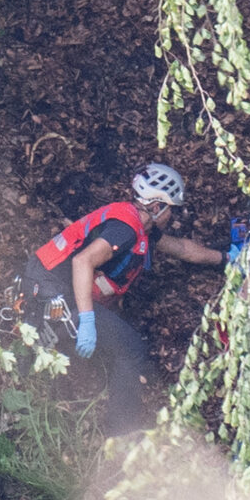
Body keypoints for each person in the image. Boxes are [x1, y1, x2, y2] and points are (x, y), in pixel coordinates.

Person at [18, 163, 225, 435]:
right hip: (54, 291)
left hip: (54, 284)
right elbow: (82, 261)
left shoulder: (138, 224)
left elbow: (182, 248)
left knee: (84, 345)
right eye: (170, 208)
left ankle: (29, 381)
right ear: (156, 206)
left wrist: (225, 259)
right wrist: (88, 321)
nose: (173, 215)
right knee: (131, 350)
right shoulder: (125, 228)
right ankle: (122, 435)